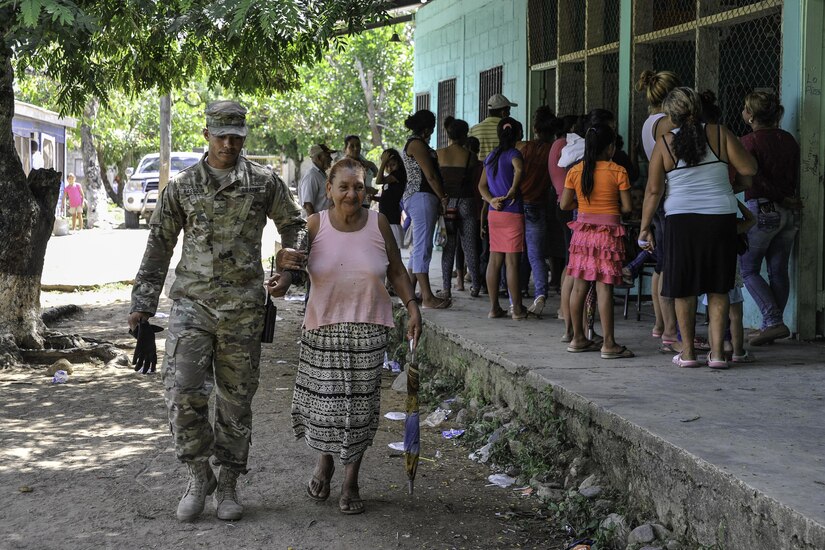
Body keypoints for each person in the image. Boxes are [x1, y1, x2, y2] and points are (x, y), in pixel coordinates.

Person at [128, 100, 307, 522]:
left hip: (244, 308)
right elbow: (158, 245)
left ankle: (228, 483)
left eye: (236, 136)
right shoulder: (184, 186)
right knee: (182, 393)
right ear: (206, 134)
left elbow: (295, 224)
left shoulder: (264, 182)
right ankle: (197, 474)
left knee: (236, 402)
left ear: (245, 137)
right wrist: (142, 305)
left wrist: (289, 268)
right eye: (221, 135)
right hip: (193, 304)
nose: (228, 143)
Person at [287, 157, 422, 515]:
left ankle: (350, 480)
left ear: (367, 192)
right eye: (343, 187)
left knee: (359, 411)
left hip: (368, 329)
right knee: (328, 408)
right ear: (328, 190)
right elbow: (293, 269)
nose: (351, 193)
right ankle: (325, 461)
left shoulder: (378, 224)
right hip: (323, 329)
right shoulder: (313, 226)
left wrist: (412, 306)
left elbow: (395, 270)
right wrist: (279, 281)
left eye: (358, 187)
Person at [639, 87, 757, 368]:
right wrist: (728, 186)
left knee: (684, 288)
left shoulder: (665, 142)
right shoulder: (720, 133)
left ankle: (689, 353)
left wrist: (645, 228)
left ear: (671, 116)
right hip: (720, 219)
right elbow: (749, 170)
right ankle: (717, 354)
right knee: (718, 287)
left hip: (681, 221)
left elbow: (653, 192)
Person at [560, 123, 634, 358]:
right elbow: (628, 208)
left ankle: (577, 338)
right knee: (604, 288)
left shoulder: (575, 171)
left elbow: (564, 205)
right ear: (610, 148)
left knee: (579, 285)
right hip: (608, 236)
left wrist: (583, 207)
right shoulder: (618, 171)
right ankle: (609, 344)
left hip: (582, 233)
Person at [738, 92, 801, 346]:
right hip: (789, 213)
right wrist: (786, 200)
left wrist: (780, 198)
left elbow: (755, 179)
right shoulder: (789, 140)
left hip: (763, 211)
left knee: (749, 269)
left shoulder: (747, 142)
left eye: (744, 108)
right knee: (778, 270)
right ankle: (770, 327)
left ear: (750, 115)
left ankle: (773, 321)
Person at [636, 70, 681, 350]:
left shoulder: (648, 122)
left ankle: (660, 324)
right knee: (666, 265)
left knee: (660, 264)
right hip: (669, 194)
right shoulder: (666, 123)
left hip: (661, 196)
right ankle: (670, 329)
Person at [400, 109, 451, 309]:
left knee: (418, 247)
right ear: (428, 127)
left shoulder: (416, 143)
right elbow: (429, 175)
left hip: (420, 198)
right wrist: (443, 196)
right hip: (421, 197)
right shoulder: (416, 144)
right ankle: (428, 297)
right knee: (423, 247)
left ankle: (411, 294)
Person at [478, 117, 527, 320]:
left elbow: (481, 186)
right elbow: (520, 168)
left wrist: (491, 201)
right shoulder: (514, 153)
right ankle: (516, 309)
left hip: (495, 213)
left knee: (494, 260)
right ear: (517, 134)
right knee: (513, 263)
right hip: (512, 212)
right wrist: (514, 188)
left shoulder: (490, 157)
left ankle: (494, 308)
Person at [516, 106, 556, 316]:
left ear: (534, 128)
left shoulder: (525, 148)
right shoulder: (554, 151)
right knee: (536, 255)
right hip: (540, 205)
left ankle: (519, 289)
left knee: (516, 252)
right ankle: (540, 293)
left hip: (519, 204)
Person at [436, 116, 482, 298]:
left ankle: (447, 288)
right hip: (467, 202)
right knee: (470, 245)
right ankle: (476, 286)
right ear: (465, 136)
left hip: (447, 204)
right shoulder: (470, 157)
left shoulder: (439, 154)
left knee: (449, 246)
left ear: (448, 133)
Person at [374, 148, 407, 249]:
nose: (389, 168)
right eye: (387, 166)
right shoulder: (390, 179)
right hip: (386, 219)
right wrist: (374, 198)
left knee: (393, 251)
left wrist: (383, 162)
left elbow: (378, 180)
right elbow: (387, 198)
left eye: (392, 165)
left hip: (392, 219)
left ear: (398, 163)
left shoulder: (398, 174)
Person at [469, 93, 518, 159]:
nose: (509, 114)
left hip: (479, 169)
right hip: (501, 169)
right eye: (508, 111)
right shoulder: (507, 130)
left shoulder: (473, 130)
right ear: (503, 113)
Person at [342, 135, 379, 207]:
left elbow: (375, 174)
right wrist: (368, 190)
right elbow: (348, 186)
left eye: (358, 145)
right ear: (345, 149)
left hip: (365, 203)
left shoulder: (362, 159)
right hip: (352, 203)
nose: (356, 148)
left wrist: (372, 165)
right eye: (352, 146)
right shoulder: (344, 165)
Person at [299, 143, 335, 216]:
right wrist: (315, 225)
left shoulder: (321, 174)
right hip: (318, 224)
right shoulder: (311, 176)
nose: (331, 159)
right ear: (319, 157)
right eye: (327, 156)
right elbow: (308, 206)